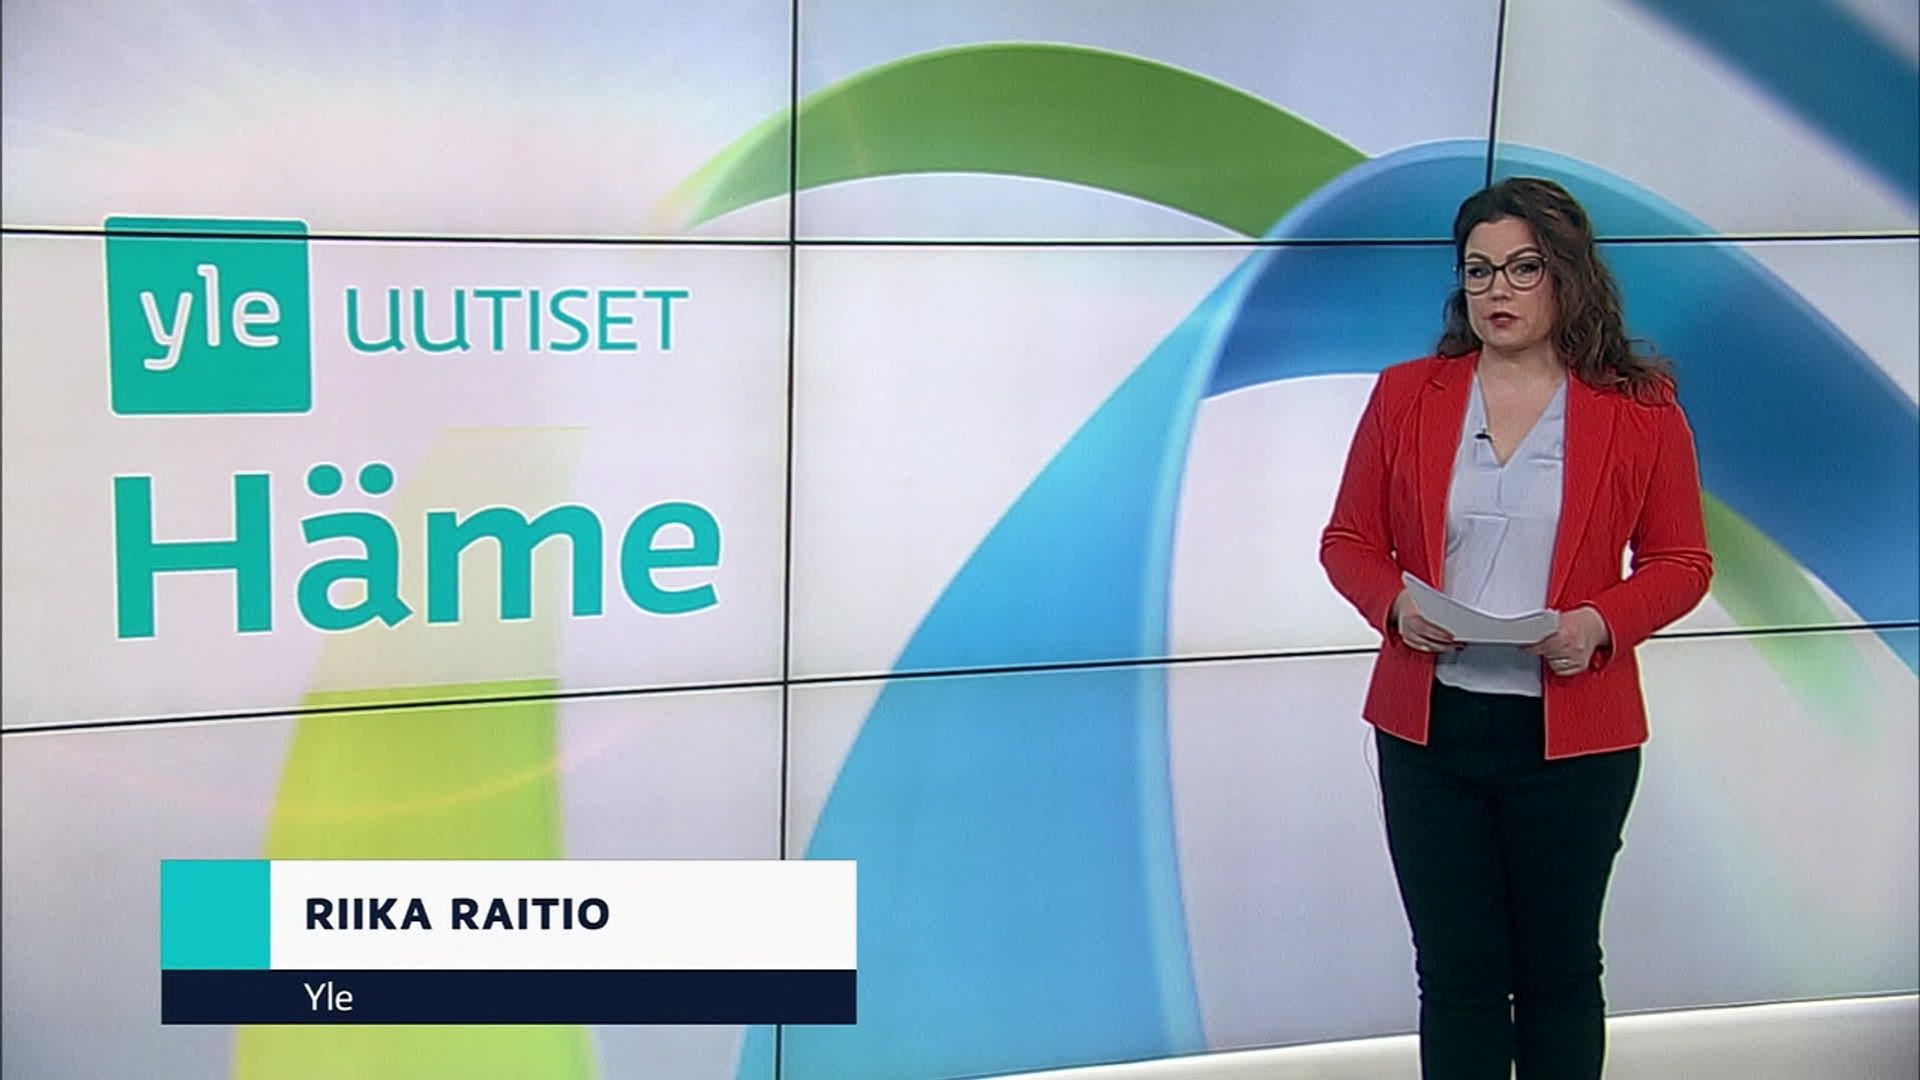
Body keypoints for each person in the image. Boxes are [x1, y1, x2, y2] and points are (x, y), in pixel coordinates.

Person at [1319, 177, 1714, 1079]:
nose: (1498, 290)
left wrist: (1600, 623)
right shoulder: (1406, 394)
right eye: (1480, 270)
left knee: (1558, 972)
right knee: (1456, 977)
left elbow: (1682, 561)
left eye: (1523, 268)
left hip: (1573, 741)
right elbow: (1348, 541)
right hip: (1431, 735)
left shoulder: (1641, 407)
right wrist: (1396, 606)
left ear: (1567, 275)